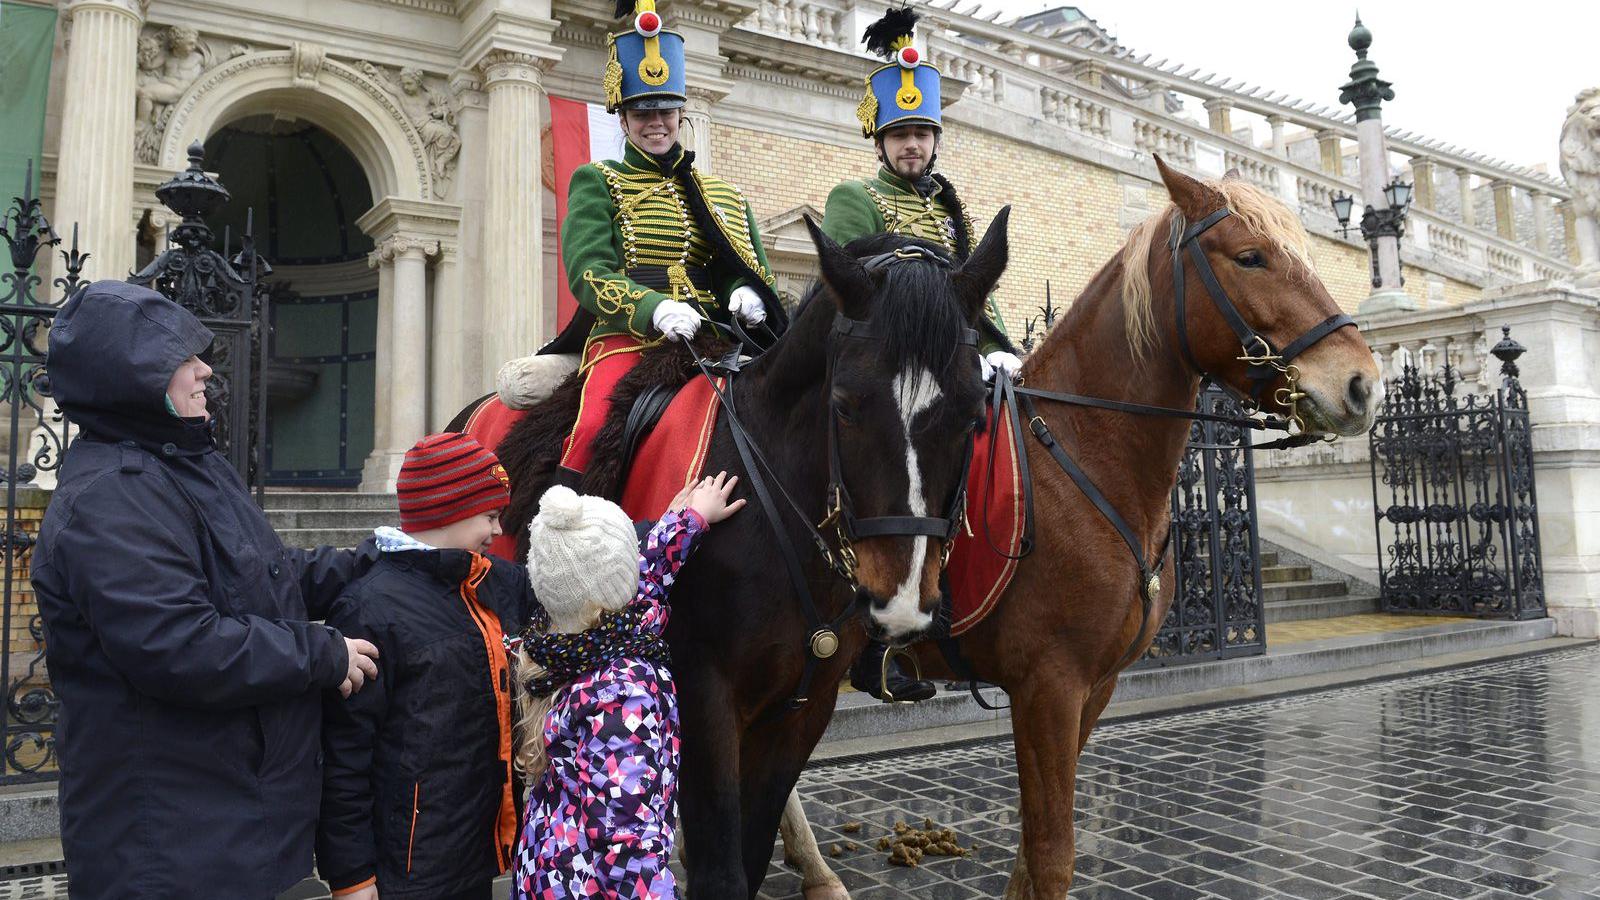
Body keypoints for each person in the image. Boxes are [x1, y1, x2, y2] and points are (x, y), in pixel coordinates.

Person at [30, 280, 382, 900]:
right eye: (179, 360)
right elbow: (179, 645)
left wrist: (366, 561)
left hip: (227, 826)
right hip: (167, 845)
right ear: (128, 378)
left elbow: (259, 580)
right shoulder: (109, 497)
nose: (203, 372)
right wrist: (322, 653)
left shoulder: (185, 465)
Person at [820, 6, 1022, 702]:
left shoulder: (948, 211)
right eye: (900, 135)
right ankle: (868, 644)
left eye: (922, 135)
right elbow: (858, 280)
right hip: (890, 368)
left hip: (943, 365)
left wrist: (999, 348)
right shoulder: (856, 197)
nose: (912, 146)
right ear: (879, 141)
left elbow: (970, 298)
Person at [538, 0, 786, 485]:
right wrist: (652, 308)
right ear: (624, 116)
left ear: (680, 114)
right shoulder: (598, 181)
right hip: (630, 337)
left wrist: (748, 290)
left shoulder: (720, 194)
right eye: (642, 111)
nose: (656, 122)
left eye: (666, 110)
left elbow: (744, 263)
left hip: (717, 332)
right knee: (591, 429)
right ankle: (561, 526)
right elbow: (588, 272)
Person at [316, 432, 537, 900]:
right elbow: (344, 754)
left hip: (469, 854)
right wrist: (352, 877)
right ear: (450, 510)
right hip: (409, 871)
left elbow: (577, 572)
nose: (498, 532)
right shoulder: (369, 607)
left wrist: (680, 525)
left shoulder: (483, 580)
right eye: (490, 516)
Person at [507, 474, 745, 898]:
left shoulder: (564, 634)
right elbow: (629, 850)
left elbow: (643, 575)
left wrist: (686, 520)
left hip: (546, 867)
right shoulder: (623, 698)